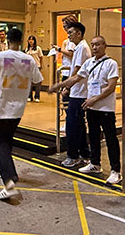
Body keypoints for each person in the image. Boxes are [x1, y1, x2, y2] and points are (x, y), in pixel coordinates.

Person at [0, 28, 43, 201]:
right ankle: (2, 168)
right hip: (19, 108)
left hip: (2, 107)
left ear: (7, 40)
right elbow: (38, 80)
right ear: (22, 40)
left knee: (0, 143)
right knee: (7, 140)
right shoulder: (28, 59)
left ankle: (9, 181)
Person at [78, 36, 122, 184]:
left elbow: (111, 87)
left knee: (110, 139)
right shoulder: (89, 63)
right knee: (93, 137)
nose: (94, 48)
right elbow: (78, 77)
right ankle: (95, 164)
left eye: (97, 44)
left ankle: (116, 171)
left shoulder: (111, 63)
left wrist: (94, 99)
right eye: (92, 45)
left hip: (105, 109)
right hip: (92, 108)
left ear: (105, 45)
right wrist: (64, 86)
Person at [49, 21, 92, 167]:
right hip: (77, 91)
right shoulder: (80, 47)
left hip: (79, 93)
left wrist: (66, 86)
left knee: (72, 125)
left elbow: (77, 71)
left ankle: (73, 156)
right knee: (78, 125)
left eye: (71, 32)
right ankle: (84, 154)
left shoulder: (82, 48)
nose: (68, 35)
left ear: (79, 33)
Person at [25, 35, 44, 102]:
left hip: (36, 66)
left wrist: (41, 65)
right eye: (29, 39)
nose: (31, 41)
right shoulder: (27, 49)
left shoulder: (38, 48)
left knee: (37, 82)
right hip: (29, 67)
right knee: (29, 82)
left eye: (32, 39)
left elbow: (41, 57)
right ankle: (29, 96)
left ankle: (37, 96)